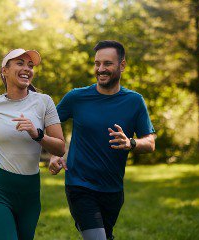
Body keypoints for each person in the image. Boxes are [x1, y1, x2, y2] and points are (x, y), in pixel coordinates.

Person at [49, 40, 155, 240]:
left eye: (107, 63)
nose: (101, 69)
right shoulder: (76, 97)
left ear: (122, 65)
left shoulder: (134, 101)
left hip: (113, 189)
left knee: (105, 236)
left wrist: (131, 143)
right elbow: (50, 122)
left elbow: (150, 142)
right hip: (79, 185)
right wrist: (56, 152)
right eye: (97, 64)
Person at [0, 48, 65, 240]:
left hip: (30, 195)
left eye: (30, 65)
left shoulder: (44, 102)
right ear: (5, 71)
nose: (27, 68)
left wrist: (37, 134)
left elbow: (60, 147)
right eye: (20, 63)